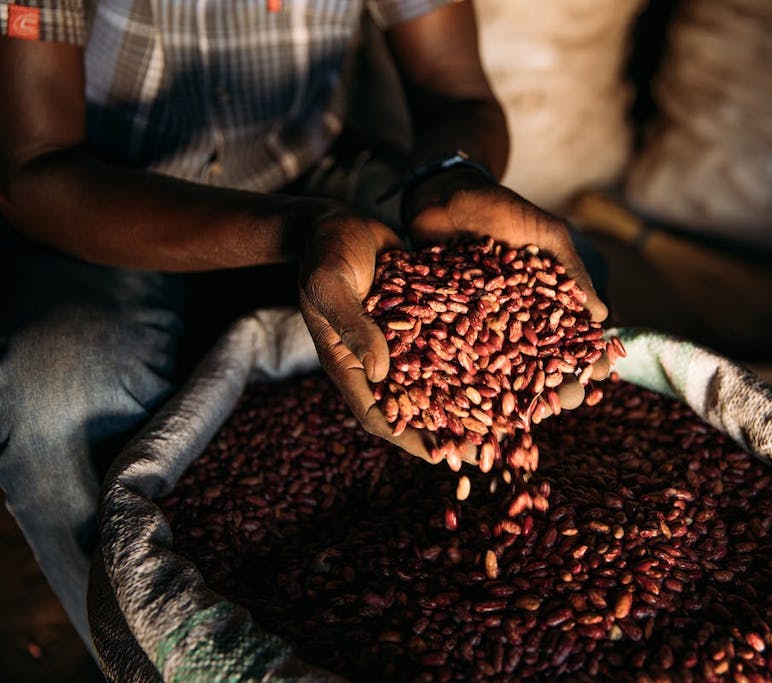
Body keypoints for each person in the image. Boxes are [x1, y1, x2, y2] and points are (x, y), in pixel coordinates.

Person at [0, 0, 608, 654]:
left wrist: (448, 176)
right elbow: (33, 171)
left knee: (577, 283)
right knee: (46, 402)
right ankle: (143, 655)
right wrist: (301, 231)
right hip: (119, 205)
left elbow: (454, 88)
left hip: (318, 180)